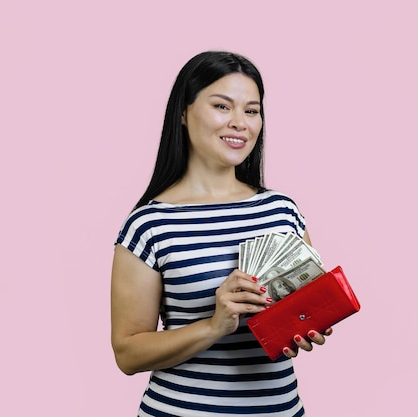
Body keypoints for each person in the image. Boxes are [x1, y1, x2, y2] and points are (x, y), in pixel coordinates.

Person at [111, 51, 332, 417]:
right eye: (222, 106)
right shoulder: (149, 224)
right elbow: (128, 353)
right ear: (183, 112)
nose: (239, 123)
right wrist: (214, 326)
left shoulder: (282, 211)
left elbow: (302, 313)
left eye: (251, 110)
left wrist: (305, 327)